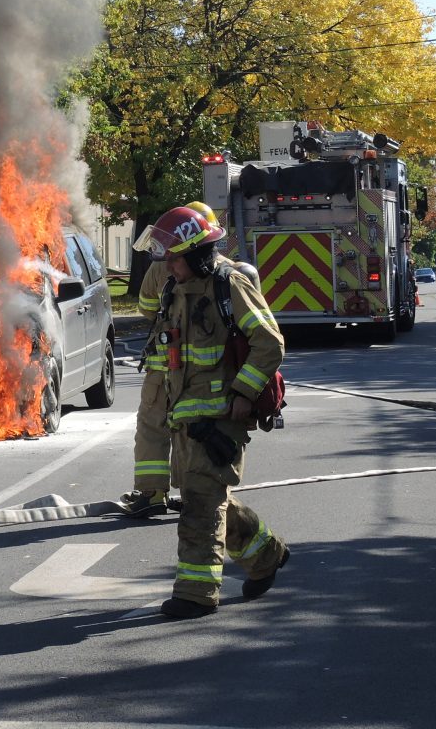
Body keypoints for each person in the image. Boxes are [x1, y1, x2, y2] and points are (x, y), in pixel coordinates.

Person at [135, 204, 289, 618]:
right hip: (186, 417)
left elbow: (269, 343)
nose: (168, 265)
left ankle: (196, 593)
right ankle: (265, 555)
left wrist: (244, 391)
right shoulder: (175, 288)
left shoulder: (230, 284)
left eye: (174, 257)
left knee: (201, 505)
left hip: (223, 416)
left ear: (197, 253)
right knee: (209, 495)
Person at [122, 201, 221, 517]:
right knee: (190, 431)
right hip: (203, 373)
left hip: (163, 364)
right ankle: (193, 492)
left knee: (153, 426)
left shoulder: (158, 266)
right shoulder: (221, 272)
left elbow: (146, 308)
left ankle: (152, 493)